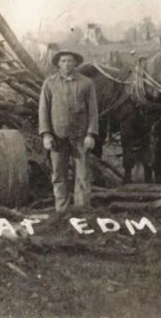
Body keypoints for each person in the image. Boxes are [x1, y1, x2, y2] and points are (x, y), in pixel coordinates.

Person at [38, 50, 99, 212]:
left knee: (83, 175)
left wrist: (91, 134)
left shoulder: (86, 83)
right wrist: (46, 134)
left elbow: (93, 111)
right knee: (59, 175)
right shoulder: (49, 83)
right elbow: (43, 110)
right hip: (57, 137)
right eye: (63, 61)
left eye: (70, 61)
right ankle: (62, 211)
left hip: (81, 137)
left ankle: (82, 210)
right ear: (58, 64)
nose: (66, 64)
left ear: (75, 63)